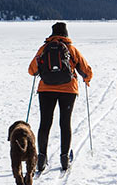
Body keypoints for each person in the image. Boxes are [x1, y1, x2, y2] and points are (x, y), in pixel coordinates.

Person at [28, 22, 93, 171]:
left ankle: (41, 158)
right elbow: (86, 70)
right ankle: (64, 158)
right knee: (65, 123)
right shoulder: (71, 49)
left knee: (45, 123)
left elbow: (32, 70)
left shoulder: (44, 49)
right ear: (66, 33)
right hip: (68, 90)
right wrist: (86, 79)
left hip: (46, 90)